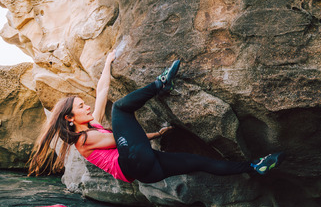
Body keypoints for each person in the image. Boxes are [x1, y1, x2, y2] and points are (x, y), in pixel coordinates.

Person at [28, 50, 284, 183]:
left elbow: (102, 91)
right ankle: (160, 85)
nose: (87, 108)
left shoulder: (92, 126)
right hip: (134, 162)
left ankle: (254, 166)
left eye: (85, 104)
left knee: (198, 162)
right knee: (120, 109)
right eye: (81, 107)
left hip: (148, 169)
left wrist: (107, 64)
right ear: (70, 118)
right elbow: (122, 140)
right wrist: (147, 135)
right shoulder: (82, 141)